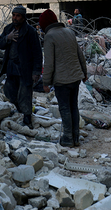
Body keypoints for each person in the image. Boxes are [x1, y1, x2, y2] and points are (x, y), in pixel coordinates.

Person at [39, 10, 87, 147]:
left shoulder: (50, 36)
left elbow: (49, 63)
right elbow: (80, 55)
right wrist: (84, 72)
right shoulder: (69, 32)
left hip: (62, 80)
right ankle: (75, 138)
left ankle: (67, 138)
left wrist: (46, 82)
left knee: (65, 108)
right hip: (75, 77)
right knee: (73, 107)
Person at [0, 6, 43, 125]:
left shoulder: (30, 31)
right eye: (13, 15)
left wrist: (36, 71)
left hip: (25, 68)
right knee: (9, 91)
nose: (15, 18)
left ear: (23, 17)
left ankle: (27, 118)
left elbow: (37, 53)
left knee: (25, 94)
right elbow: (0, 44)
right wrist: (8, 38)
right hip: (11, 67)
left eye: (18, 16)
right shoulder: (8, 29)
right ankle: (20, 109)